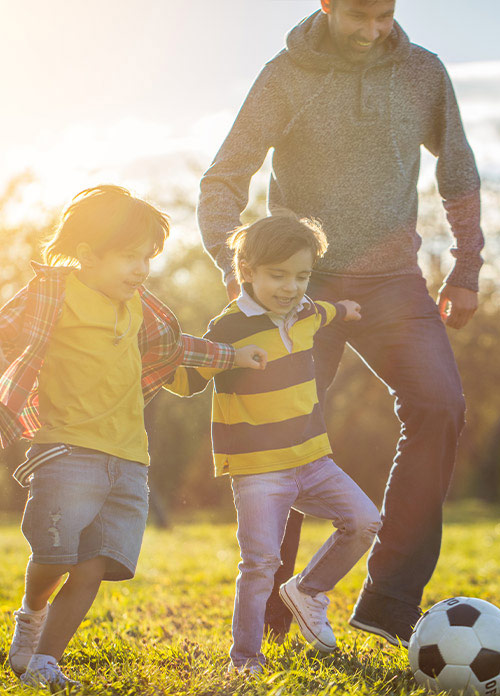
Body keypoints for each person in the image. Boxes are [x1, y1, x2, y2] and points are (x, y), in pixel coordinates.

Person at [196, 0, 484, 647]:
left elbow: (459, 172)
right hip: (302, 285)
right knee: (282, 428)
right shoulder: (285, 76)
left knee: (440, 407)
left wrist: (467, 267)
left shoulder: (422, 73)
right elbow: (223, 179)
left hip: (394, 284)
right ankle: (274, 609)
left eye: (384, 15)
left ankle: (387, 603)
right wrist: (232, 262)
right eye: (359, 15)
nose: (373, 30)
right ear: (326, 4)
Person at [0, 185, 267, 689]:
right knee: (55, 555)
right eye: (129, 256)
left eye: (147, 257)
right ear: (86, 255)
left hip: (128, 460)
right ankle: (31, 617)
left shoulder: (140, 308)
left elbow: (177, 347)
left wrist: (233, 357)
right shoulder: (53, 294)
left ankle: (43, 661)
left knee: (94, 566)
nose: (143, 268)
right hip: (65, 450)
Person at [166, 215, 381, 671]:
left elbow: (326, 312)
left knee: (364, 521)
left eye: (301, 276)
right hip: (258, 468)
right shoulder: (229, 327)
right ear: (247, 270)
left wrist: (345, 309)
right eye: (277, 275)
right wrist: (152, 362)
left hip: (312, 458)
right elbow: (187, 381)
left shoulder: (306, 310)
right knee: (260, 563)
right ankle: (244, 658)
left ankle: (306, 590)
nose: (290, 287)